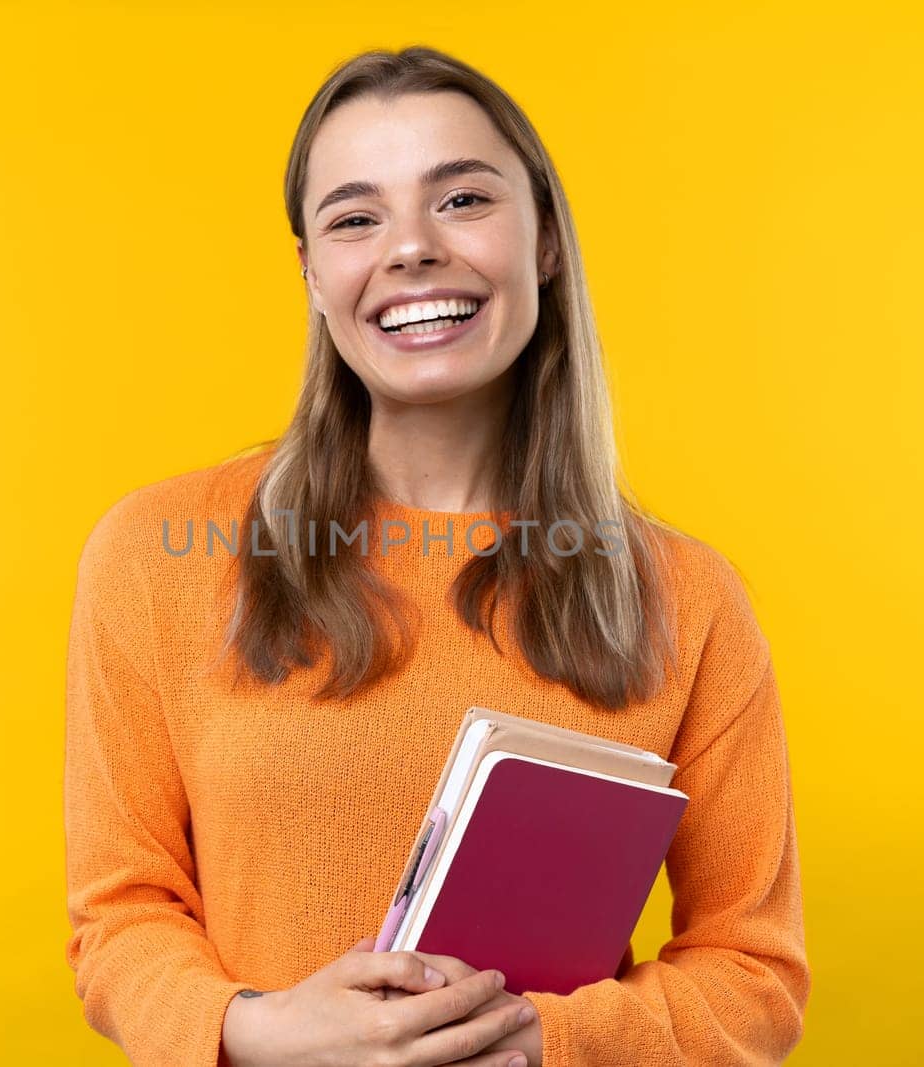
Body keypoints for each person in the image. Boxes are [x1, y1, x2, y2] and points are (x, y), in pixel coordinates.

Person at [63, 45, 809, 1066]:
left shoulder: (686, 596)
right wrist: (263, 1029)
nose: (410, 249)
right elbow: (121, 913)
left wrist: (538, 1036)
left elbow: (753, 975)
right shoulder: (154, 555)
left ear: (543, 237)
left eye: (461, 199)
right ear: (313, 273)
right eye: (356, 217)